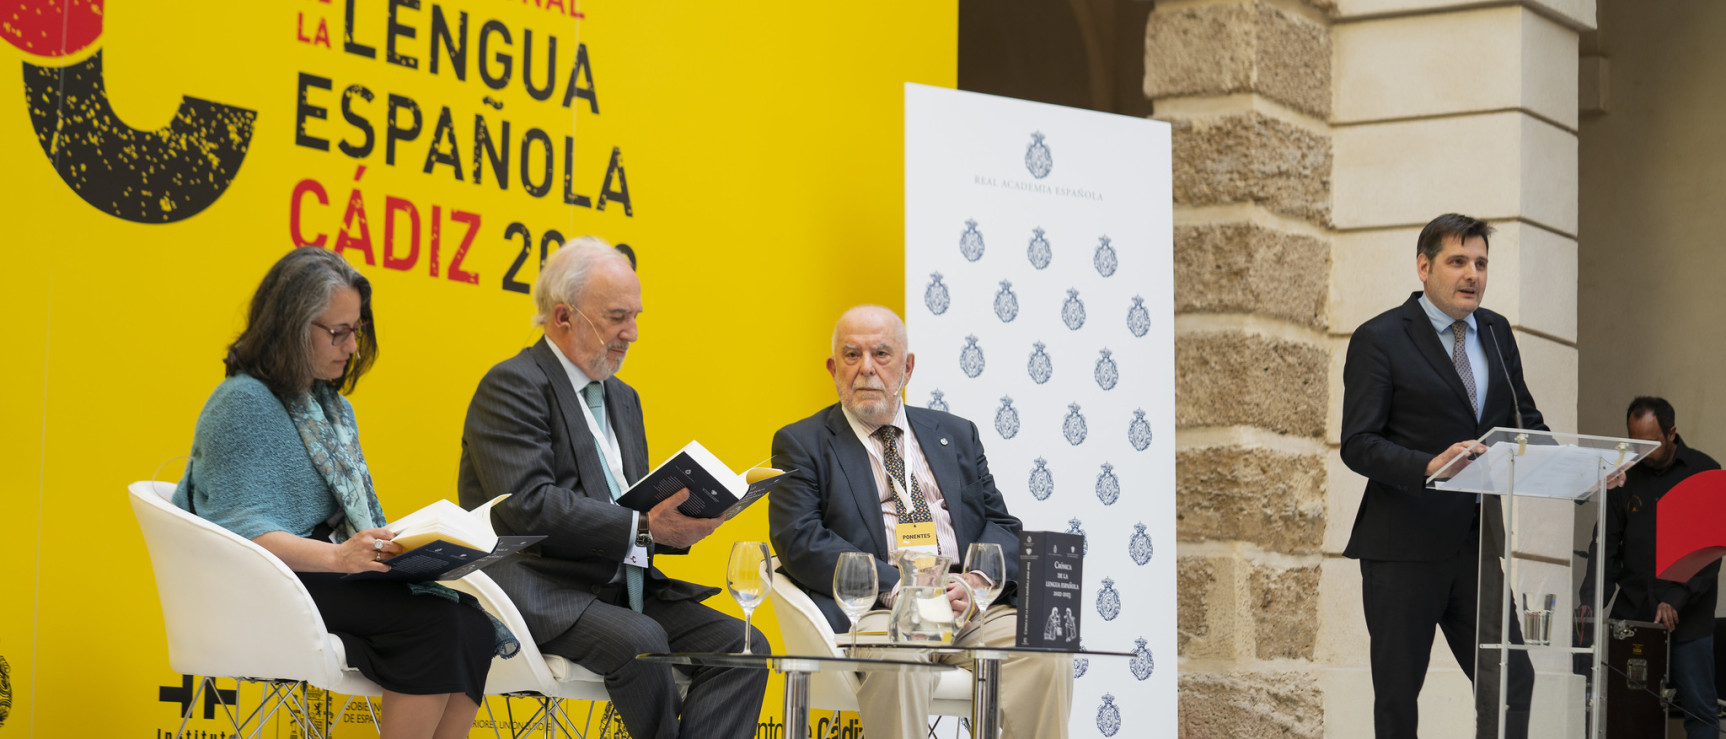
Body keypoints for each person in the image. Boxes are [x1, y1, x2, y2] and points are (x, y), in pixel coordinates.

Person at [175, 248, 504, 739]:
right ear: (290, 325)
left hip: (318, 576)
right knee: (436, 625)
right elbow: (239, 535)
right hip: (265, 584)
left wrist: (406, 551)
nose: (351, 347)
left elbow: (344, 522)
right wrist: (342, 559)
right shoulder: (240, 403)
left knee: (470, 625)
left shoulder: (331, 409)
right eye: (338, 332)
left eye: (356, 331)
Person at [457, 237, 767, 739]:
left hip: (620, 585)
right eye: (618, 317)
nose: (634, 333)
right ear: (564, 317)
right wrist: (645, 527)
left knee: (740, 646)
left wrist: (680, 523)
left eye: (636, 315)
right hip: (543, 586)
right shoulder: (512, 385)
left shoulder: (624, 398)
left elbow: (632, 502)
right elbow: (527, 507)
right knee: (642, 640)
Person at [769, 305, 1071, 739]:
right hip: (882, 610)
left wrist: (975, 582)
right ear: (833, 369)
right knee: (899, 660)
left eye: (882, 354)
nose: (866, 369)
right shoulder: (803, 444)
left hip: (964, 604)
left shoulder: (957, 434)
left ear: (907, 367)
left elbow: (1003, 526)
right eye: (851, 356)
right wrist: (900, 589)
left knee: (1045, 653)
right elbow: (799, 540)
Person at [1339, 213, 1542, 738]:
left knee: (1512, 680)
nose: (1472, 274)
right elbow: (1358, 443)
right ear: (1424, 266)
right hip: (1402, 545)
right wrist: (1426, 466)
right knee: (1400, 699)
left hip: (1477, 547)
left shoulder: (1496, 332)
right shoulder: (1379, 338)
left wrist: (1583, 469)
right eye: (1458, 262)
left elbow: (1526, 421)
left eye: (1480, 263)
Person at [1600, 397, 1721, 738]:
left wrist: (1674, 598)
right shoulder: (1623, 477)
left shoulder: (1706, 472)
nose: (1643, 451)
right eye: (1635, 442)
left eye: (1651, 443)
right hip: (1636, 612)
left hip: (1689, 618)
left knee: (1700, 712)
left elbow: (1708, 553)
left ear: (1672, 433)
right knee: (1628, 708)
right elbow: (1607, 544)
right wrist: (1589, 601)